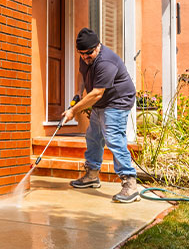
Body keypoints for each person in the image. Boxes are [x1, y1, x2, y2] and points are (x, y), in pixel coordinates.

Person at [60, 28, 140, 203]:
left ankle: (130, 183)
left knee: (113, 137)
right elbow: (82, 76)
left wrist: (74, 110)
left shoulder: (106, 61)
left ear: (98, 46)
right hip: (101, 101)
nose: (85, 57)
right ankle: (92, 175)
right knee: (94, 136)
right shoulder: (86, 58)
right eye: (81, 54)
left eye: (89, 53)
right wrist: (78, 94)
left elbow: (97, 93)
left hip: (118, 100)